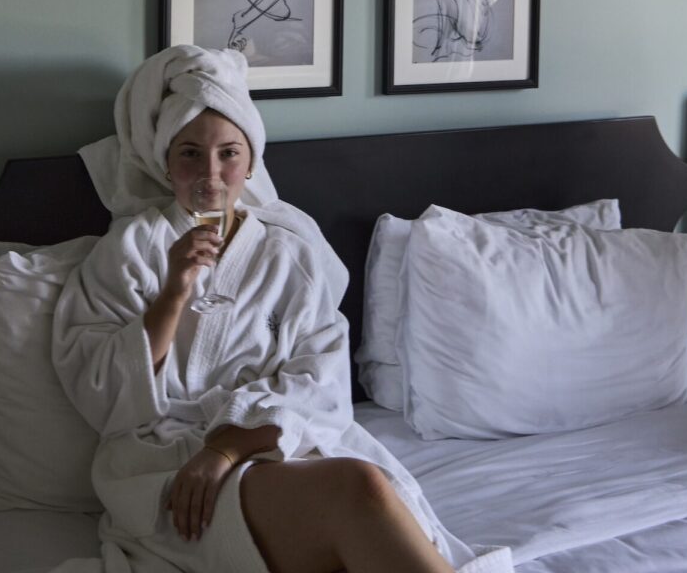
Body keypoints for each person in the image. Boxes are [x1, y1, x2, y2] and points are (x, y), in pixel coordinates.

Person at [52, 45, 511, 573]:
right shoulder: (130, 249)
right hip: (164, 467)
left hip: (271, 444)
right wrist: (174, 292)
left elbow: (323, 384)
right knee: (358, 490)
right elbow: (101, 397)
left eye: (229, 153)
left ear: (250, 162)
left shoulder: (290, 252)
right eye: (189, 153)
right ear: (164, 161)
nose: (212, 173)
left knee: (364, 491)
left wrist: (224, 449)